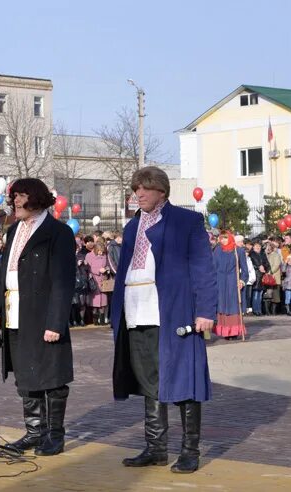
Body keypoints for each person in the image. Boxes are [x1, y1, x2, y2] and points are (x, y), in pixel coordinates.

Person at [111, 166, 217, 474]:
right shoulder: (132, 227)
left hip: (173, 313)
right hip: (136, 312)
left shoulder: (187, 221)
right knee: (148, 382)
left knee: (184, 381)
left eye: (145, 188)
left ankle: (189, 450)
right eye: (136, 189)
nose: (138, 194)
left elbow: (202, 268)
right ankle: (156, 448)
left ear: (162, 191)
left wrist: (206, 311)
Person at [0, 177, 76, 457]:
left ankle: (55, 435)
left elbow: (64, 281)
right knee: (26, 375)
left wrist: (55, 322)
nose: (15, 200)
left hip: (43, 315)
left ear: (36, 198)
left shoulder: (57, 232)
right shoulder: (13, 230)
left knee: (51, 376)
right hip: (15, 313)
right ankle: (35, 432)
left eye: (21, 195)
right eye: (13, 195)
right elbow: (3, 275)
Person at [212, 231, 247, 339]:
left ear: (230, 238)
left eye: (225, 238)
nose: (223, 240)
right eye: (221, 238)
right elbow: (213, 267)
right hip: (220, 281)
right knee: (222, 305)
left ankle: (234, 331)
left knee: (233, 305)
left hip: (233, 281)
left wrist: (242, 280)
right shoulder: (217, 250)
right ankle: (224, 331)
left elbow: (244, 270)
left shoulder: (238, 250)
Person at [85, 240, 110, 325]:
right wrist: (98, 270)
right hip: (94, 281)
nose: (101, 253)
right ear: (96, 250)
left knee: (103, 302)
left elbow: (107, 264)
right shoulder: (89, 255)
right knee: (95, 302)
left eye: (102, 252)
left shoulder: (104, 255)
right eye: (99, 251)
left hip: (103, 280)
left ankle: (102, 320)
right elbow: (88, 268)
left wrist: (106, 269)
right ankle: (95, 320)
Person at [249, 241, 270, 317]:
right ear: (253, 247)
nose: (258, 247)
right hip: (255, 275)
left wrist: (265, 268)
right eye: (256, 246)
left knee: (260, 294)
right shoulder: (252, 254)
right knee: (255, 294)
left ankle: (259, 310)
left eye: (259, 246)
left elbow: (267, 263)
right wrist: (258, 267)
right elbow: (251, 264)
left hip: (262, 276)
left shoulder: (263, 254)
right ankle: (255, 310)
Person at [264, 239, 283, 315]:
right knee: (268, 295)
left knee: (275, 295)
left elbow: (277, 264)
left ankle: (273, 311)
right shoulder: (265, 255)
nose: (267, 249)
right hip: (267, 278)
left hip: (274, 277)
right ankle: (267, 311)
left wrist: (270, 271)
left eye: (268, 247)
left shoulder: (276, 255)